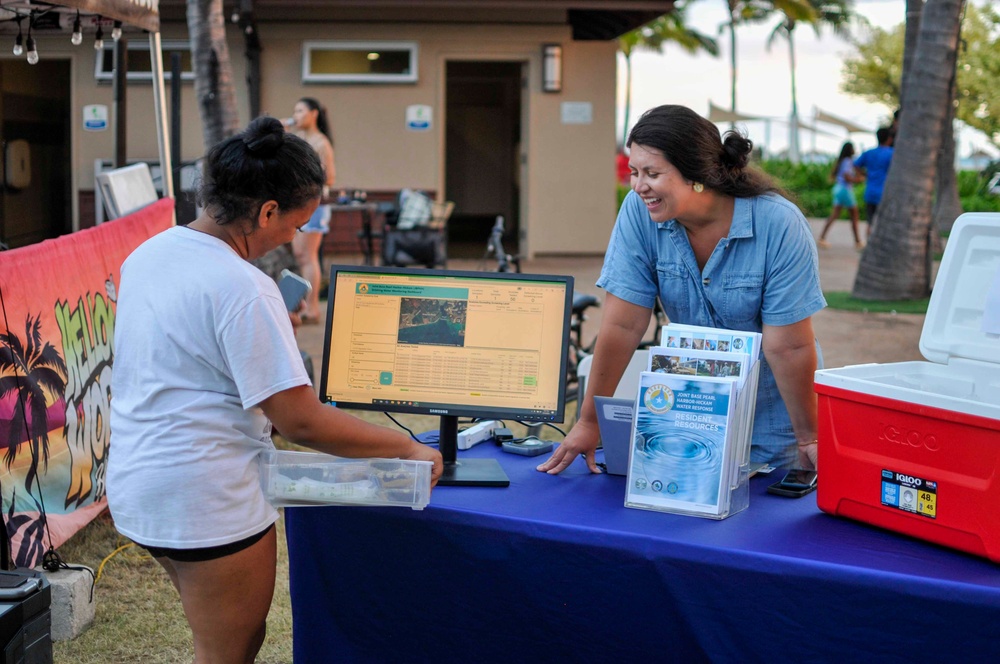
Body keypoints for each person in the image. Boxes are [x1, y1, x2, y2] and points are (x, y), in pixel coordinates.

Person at [107, 117, 442, 664]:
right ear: (266, 211)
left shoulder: (150, 254)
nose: (295, 236)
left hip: (141, 484)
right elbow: (300, 420)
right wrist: (406, 448)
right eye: (298, 223)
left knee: (219, 637)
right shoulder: (244, 288)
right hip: (206, 498)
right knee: (230, 649)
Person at [536, 104, 825, 476]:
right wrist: (590, 422)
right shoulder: (639, 213)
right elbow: (623, 325)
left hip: (777, 420)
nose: (638, 186)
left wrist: (808, 438)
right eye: (634, 171)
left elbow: (789, 346)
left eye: (652, 173)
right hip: (692, 412)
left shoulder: (779, 225)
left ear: (697, 175)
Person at [285, 97, 336, 323]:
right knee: (300, 255)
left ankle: (313, 308)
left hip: (315, 204)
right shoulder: (299, 138)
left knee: (308, 255)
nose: (296, 115)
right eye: (294, 111)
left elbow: (330, 177)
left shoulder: (320, 142)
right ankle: (307, 306)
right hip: (300, 202)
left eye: (300, 111)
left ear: (314, 113)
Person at [817, 141, 864, 250]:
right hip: (845, 190)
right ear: (849, 150)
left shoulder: (842, 161)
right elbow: (847, 177)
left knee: (834, 215)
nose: (854, 150)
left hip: (838, 189)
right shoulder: (848, 161)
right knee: (854, 215)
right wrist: (859, 179)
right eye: (853, 148)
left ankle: (822, 238)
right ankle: (858, 242)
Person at [853, 126, 895, 236]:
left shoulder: (869, 152)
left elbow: (856, 164)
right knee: (884, 223)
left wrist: (864, 174)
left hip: (870, 192)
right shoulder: (892, 153)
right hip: (884, 193)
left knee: (870, 223)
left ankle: (869, 245)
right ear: (889, 139)